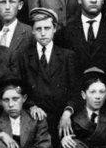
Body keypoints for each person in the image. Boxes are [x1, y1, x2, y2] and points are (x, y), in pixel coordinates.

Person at [17, 7, 79, 139]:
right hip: (35, 117)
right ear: (32, 31)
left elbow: (75, 90)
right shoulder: (23, 57)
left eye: (47, 28)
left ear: (54, 29)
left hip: (62, 116)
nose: (43, 33)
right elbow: (20, 88)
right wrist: (32, 106)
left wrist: (68, 112)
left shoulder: (68, 56)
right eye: (38, 29)